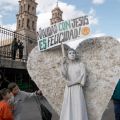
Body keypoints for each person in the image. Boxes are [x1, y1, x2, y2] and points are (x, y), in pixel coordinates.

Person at [60, 48, 88, 120]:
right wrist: (62, 64)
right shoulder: (66, 66)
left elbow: (83, 78)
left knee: (78, 106)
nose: (72, 54)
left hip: (77, 89)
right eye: (70, 53)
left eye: (73, 53)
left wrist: (72, 83)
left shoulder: (80, 65)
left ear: (76, 54)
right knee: (68, 106)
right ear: (67, 55)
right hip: (69, 89)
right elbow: (63, 76)